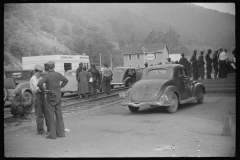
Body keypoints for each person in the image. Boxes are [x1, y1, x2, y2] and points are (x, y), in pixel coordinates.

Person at [37, 61, 68, 139]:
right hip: (57, 95)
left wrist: (44, 91)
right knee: (59, 114)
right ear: (54, 66)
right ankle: (61, 133)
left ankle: (53, 135)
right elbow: (66, 80)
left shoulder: (46, 76)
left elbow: (40, 84)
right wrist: (60, 87)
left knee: (51, 115)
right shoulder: (58, 74)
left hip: (50, 96)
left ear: (47, 67)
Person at [30, 64, 50, 134]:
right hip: (37, 97)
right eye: (40, 72)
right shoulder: (33, 79)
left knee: (47, 113)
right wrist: (44, 89)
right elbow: (38, 88)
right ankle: (40, 131)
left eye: (42, 72)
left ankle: (50, 129)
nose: (41, 73)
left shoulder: (41, 77)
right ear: (36, 71)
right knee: (39, 114)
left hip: (43, 96)